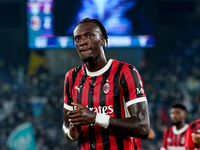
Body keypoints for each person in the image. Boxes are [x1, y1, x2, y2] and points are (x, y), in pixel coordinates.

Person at [62, 17, 151, 150]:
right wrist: (70, 133)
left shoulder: (125, 72)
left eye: (89, 36)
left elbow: (143, 127)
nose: (82, 42)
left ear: (102, 40)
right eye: (77, 39)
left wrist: (96, 117)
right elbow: (66, 125)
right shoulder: (71, 77)